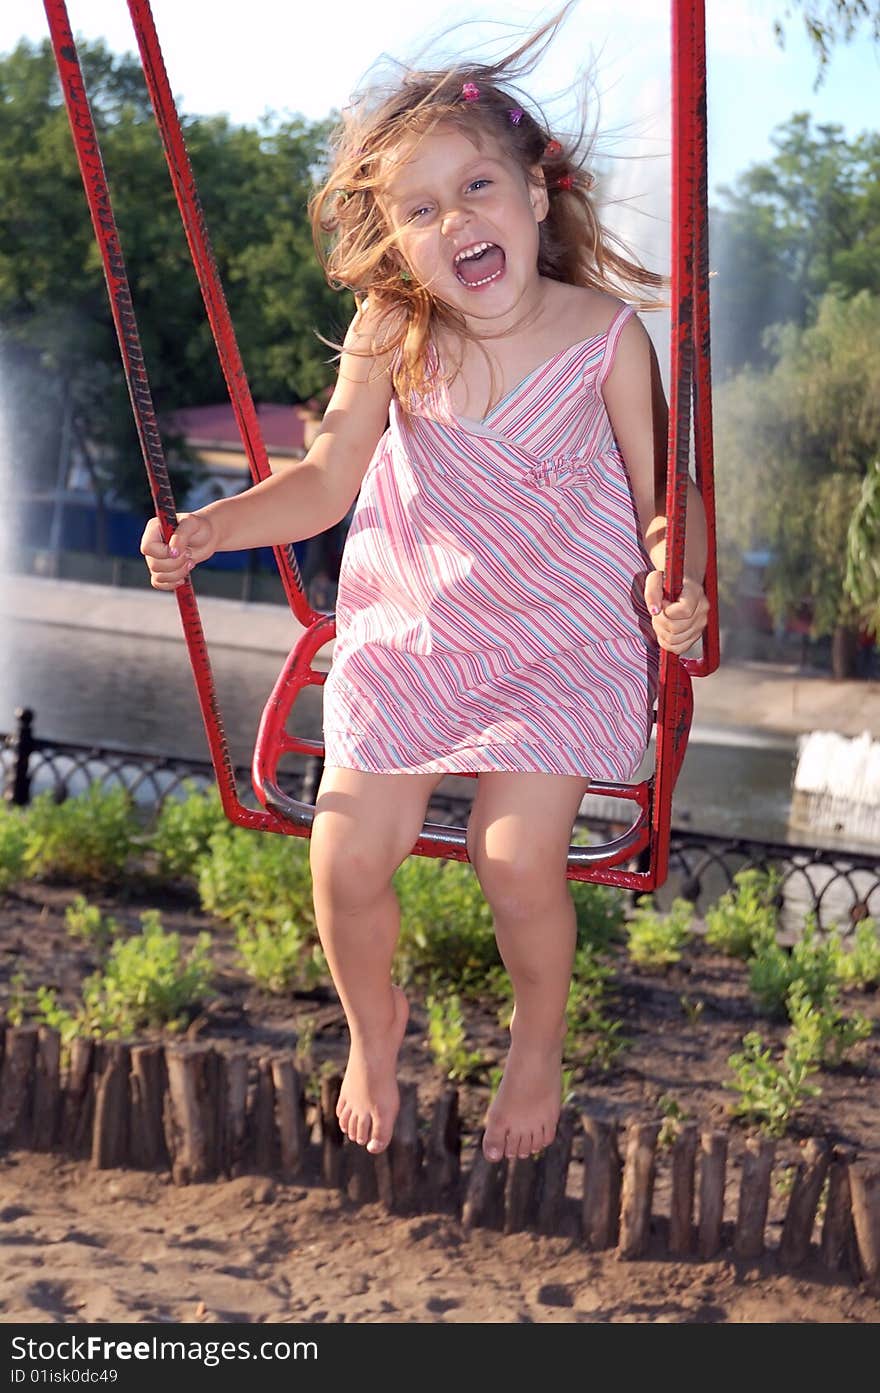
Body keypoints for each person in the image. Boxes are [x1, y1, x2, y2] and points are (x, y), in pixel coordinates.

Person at [141, 9, 709, 1164]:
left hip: (560, 639)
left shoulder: (605, 335)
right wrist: (213, 527)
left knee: (514, 861)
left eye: (477, 187)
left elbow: (672, 492)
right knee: (343, 857)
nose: (455, 221)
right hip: (415, 634)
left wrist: (677, 574)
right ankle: (372, 1023)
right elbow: (323, 479)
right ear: (396, 243)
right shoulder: (391, 327)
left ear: (537, 196)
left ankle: (536, 1035)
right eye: (419, 208)